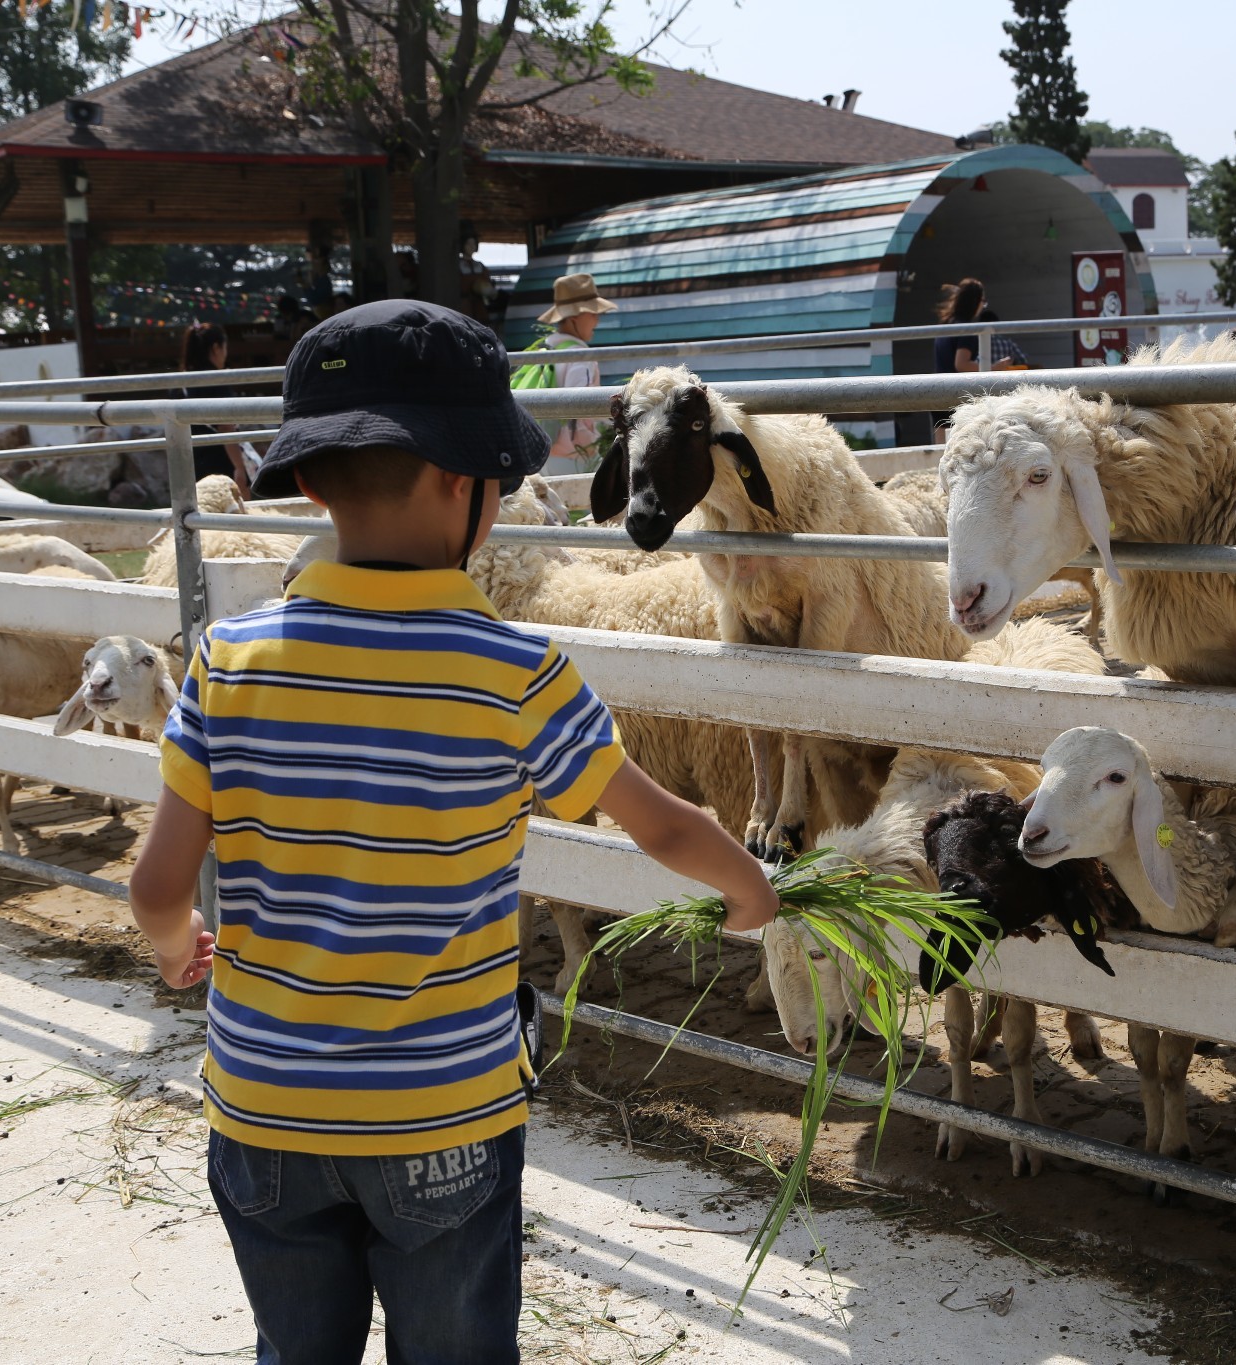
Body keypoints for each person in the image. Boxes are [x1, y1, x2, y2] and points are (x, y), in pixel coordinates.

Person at [126, 298, 778, 1365]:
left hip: (262, 1111)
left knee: (295, 1350)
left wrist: (171, 950)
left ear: (309, 478)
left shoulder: (228, 661)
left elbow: (158, 889)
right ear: (458, 484)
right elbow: (664, 829)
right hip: (442, 1116)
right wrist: (749, 892)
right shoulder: (516, 675)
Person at [518, 272, 615, 476]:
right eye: (592, 313)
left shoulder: (544, 349)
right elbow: (582, 413)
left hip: (541, 456)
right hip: (572, 458)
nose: (597, 320)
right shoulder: (581, 357)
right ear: (574, 318)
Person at [175, 323, 252, 494]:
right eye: (225, 347)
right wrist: (239, 468)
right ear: (216, 348)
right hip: (221, 462)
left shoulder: (181, 382)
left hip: (191, 463)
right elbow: (226, 427)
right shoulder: (216, 381)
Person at [932, 278, 1030, 374]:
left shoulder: (946, 325)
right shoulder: (967, 330)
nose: (983, 306)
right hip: (958, 388)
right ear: (975, 301)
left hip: (942, 386)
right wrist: (993, 368)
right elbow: (962, 365)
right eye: (983, 301)